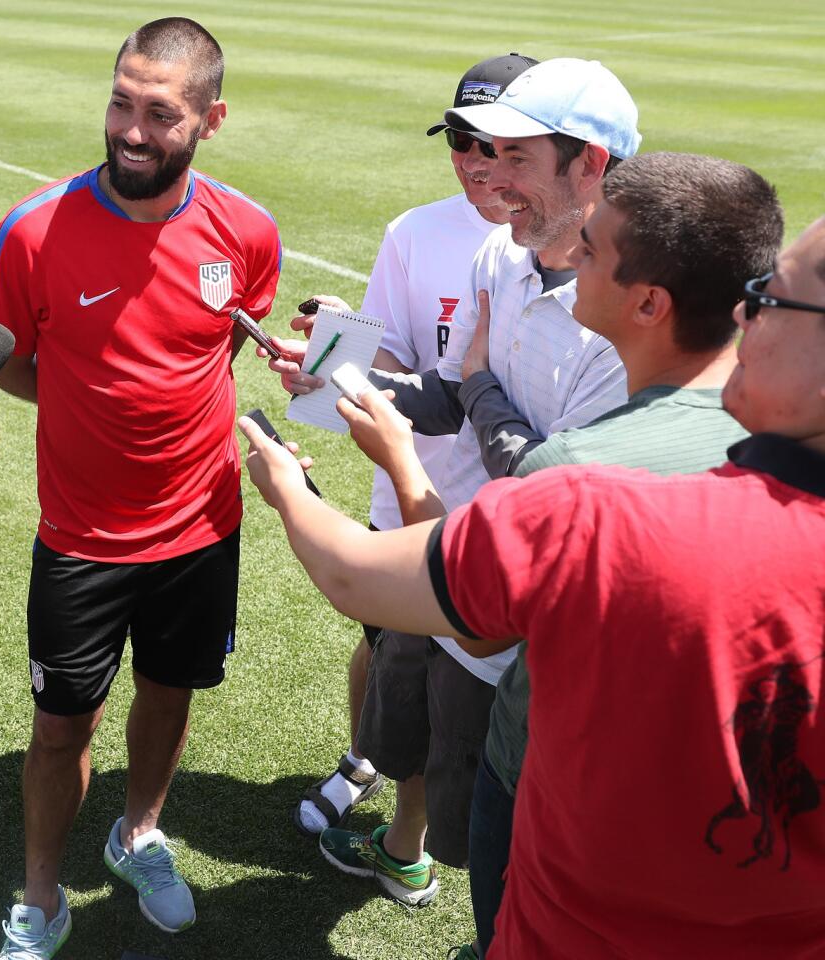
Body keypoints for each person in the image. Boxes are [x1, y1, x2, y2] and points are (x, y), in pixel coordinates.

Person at [239, 211, 825, 958]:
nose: (748, 316)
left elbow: (375, 584)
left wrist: (293, 482)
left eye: (772, 300)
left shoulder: (595, 503)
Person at [275, 57, 639, 908]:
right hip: (449, 553)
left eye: (515, 157)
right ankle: (405, 847)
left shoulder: (621, 313)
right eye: (482, 151)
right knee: (417, 743)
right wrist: (342, 378)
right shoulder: (497, 254)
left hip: (524, 618)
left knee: (504, 842)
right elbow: (442, 392)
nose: (491, 179)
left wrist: (473, 393)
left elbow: (548, 490)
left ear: (590, 162)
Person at [0, 18, 281, 958]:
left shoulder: (247, 232)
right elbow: (11, 365)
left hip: (201, 523)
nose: (132, 131)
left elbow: (221, 343)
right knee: (61, 727)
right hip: (80, 536)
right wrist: (84, 395)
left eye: (160, 112)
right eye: (120, 102)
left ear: (210, 119)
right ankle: (41, 896)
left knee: (170, 691)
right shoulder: (33, 231)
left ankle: (138, 831)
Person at [290, 52, 537, 840]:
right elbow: (396, 361)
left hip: (501, 513)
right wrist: (340, 346)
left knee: (470, 693)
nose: (471, 161)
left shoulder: (555, 251)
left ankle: (415, 834)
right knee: (387, 652)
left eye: (487, 143)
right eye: (456, 140)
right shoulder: (417, 231)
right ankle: (370, 762)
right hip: (406, 495)